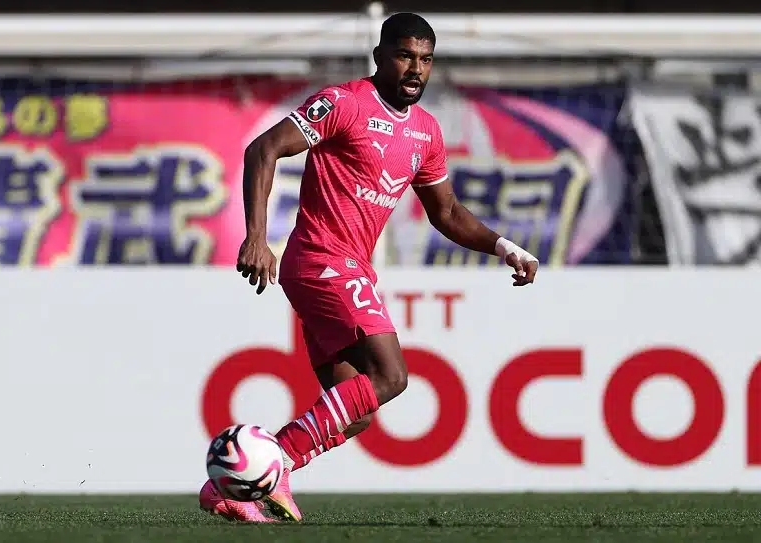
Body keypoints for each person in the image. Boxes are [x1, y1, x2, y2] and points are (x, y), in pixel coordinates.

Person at [199, 12, 539, 522]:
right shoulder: (345, 103)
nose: (416, 69)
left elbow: (446, 212)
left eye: (425, 60)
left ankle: (231, 489)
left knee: (355, 408)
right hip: (321, 257)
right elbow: (263, 149)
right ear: (380, 56)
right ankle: (273, 462)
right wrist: (256, 237)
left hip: (346, 265)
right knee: (391, 375)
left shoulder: (425, 132)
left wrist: (504, 247)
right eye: (404, 56)